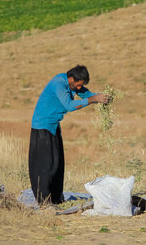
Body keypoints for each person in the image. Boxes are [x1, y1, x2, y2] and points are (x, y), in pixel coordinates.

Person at [29, 65, 110, 205]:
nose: (79, 88)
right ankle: (44, 202)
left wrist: (99, 97)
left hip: (53, 125)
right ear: (71, 78)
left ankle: (56, 198)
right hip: (42, 127)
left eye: (81, 86)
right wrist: (93, 100)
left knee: (57, 164)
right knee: (45, 166)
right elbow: (69, 105)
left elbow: (86, 94)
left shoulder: (73, 84)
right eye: (78, 85)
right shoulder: (58, 84)